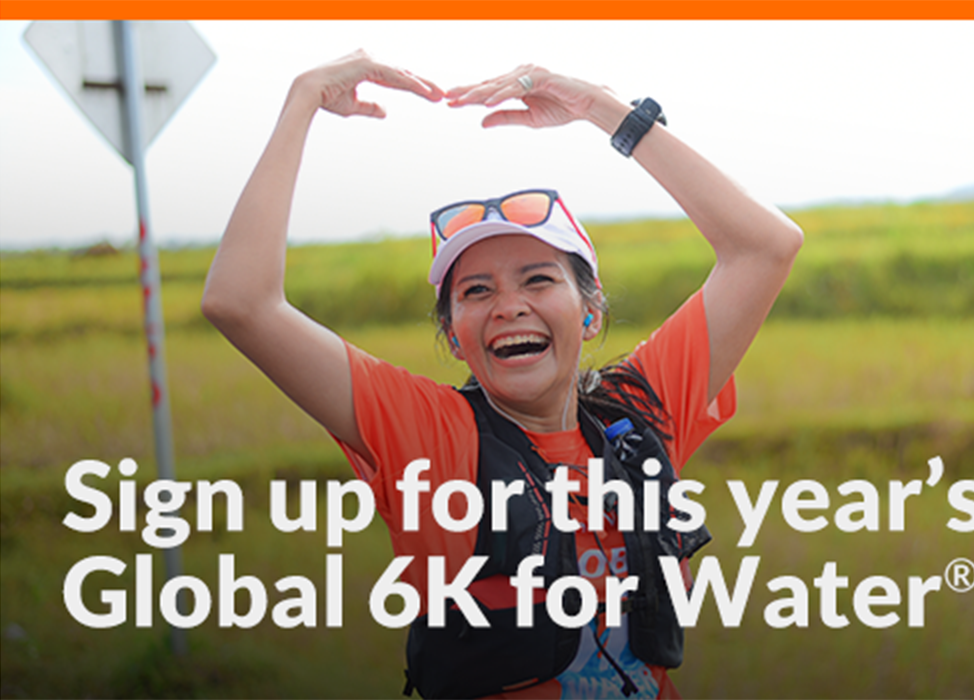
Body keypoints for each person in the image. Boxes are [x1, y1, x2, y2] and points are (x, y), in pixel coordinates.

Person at [203, 48, 802, 699]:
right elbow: (242, 302)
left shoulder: (638, 412)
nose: (508, 305)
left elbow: (764, 246)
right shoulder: (429, 438)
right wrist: (302, 100)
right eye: (476, 291)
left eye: (538, 279)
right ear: (455, 339)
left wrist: (602, 109)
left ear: (590, 311)